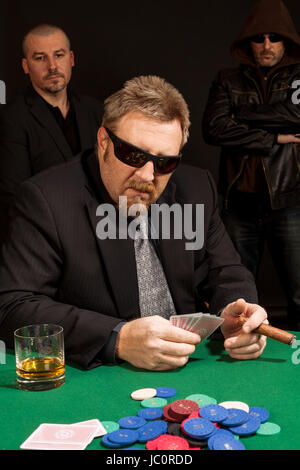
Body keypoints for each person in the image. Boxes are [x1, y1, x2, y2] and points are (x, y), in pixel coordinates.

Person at [0, 75, 268, 371]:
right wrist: (118, 337)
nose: (147, 176)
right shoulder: (46, 199)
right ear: (103, 141)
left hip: (189, 368)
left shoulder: (196, 187)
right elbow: (13, 304)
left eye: (165, 162)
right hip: (101, 377)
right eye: (132, 155)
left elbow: (225, 270)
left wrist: (238, 312)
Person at [202, 0, 300, 331]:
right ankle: (239, 360)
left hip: (289, 202)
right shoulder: (228, 78)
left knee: (299, 293)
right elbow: (214, 127)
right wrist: (274, 140)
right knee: (236, 297)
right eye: (260, 38)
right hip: (238, 205)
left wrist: (241, 114)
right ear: (249, 42)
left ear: (286, 40)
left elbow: (297, 115)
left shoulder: (298, 78)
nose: (267, 45)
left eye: (275, 37)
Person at [0, 24, 103, 246]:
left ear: (72, 58)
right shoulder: (12, 119)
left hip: (100, 239)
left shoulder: (96, 111)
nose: (52, 66)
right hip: (46, 243)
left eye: (59, 55)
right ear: (26, 66)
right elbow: (14, 197)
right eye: (40, 58)